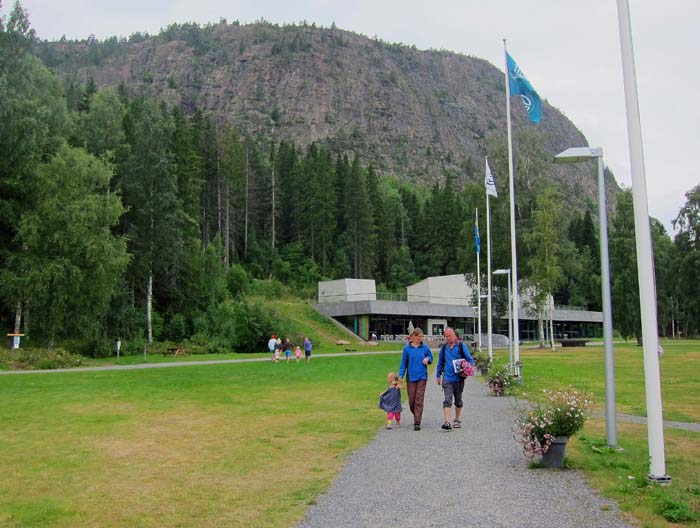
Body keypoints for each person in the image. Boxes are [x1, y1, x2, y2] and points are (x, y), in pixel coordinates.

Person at [436, 327, 475, 430]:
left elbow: (470, 360)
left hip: (458, 379)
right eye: (446, 336)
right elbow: (440, 362)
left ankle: (457, 419)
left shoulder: (461, 346)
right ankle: (447, 421)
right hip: (447, 378)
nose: (448, 338)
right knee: (447, 399)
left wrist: (466, 369)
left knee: (458, 401)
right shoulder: (444, 348)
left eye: (449, 336)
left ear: (454, 335)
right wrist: (438, 376)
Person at [399, 327, 433, 431]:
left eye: (422, 337)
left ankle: (417, 422)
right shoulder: (407, 349)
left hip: (422, 377)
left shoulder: (425, 348)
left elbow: (431, 357)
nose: (420, 339)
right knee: (412, 400)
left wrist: (428, 359)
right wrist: (401, 375)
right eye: (419, 337)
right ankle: (416, 414)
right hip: (411, 378)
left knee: (419, 399)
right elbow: (403, 363)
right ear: (413, 336)